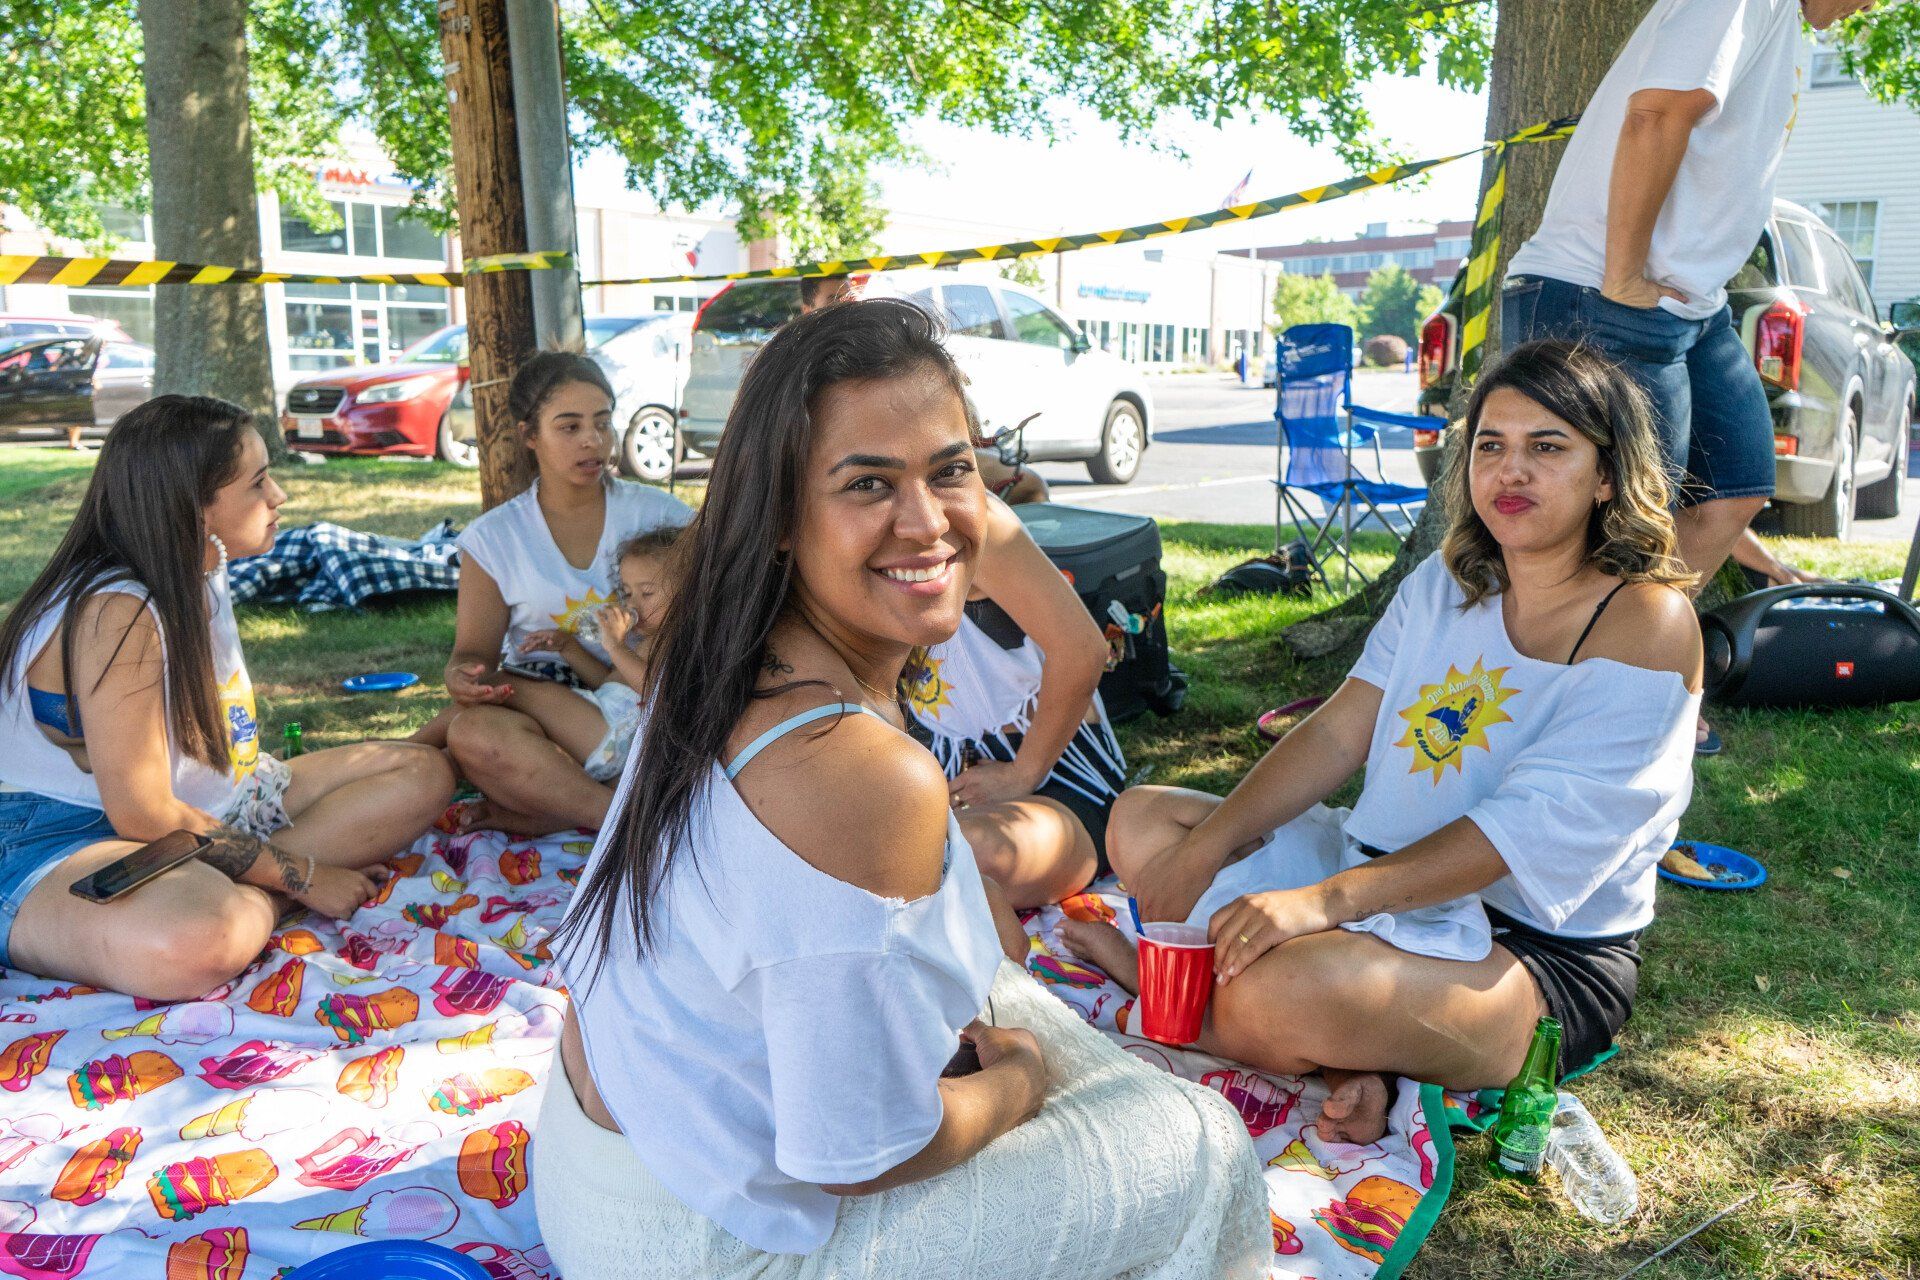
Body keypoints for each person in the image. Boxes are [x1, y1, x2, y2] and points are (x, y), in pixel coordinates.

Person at [537, 299, 1267, 1280]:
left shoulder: (711, 649)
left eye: (950, 469)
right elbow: (859, 1154)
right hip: (704, 1241)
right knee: (1203, 1141)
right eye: (868, 482)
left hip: (599, 1158)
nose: (925, 521)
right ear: (783, 516)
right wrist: (1016, 1081)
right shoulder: (860, 771)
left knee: (1007, 986)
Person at [1060, 340, 1702, 1147]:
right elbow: (1336, 731)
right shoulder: (1446, 580)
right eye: (1491, 446)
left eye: (1548, 448)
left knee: (1282, 988)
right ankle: (1349, 1062)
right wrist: (1215, 844)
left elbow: (1519, 832)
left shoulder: (1646, 624)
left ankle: (1176, 998)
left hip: (1528, 953)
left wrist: (1320, 905)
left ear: (1607, 476)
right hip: (1369, 869)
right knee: (1147, 822)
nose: (1511, 472)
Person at [1502, 0, 1877, 752]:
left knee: (1735, 482)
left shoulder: (1783, 25)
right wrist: (1622, 276)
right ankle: (1577, 717)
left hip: (1687, 305)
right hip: (1601, 293)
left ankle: (1634, 677)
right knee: (1612, 530)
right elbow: (1657, 113)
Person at [0, 395, 454, 1003]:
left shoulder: (199, 563)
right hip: (59, 833)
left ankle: (242, 887)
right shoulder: (119, 610)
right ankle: (260, 896)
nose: (279, 497)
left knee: (418, 769)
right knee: (199, 936)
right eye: (258, 482)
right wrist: (304, 877)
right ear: (194, 508)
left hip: (201, 813)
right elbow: (141, 814)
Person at [421, 352, 693, 833]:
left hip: (641, 715)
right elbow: (472, 656)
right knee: (474, 731)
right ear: (530, 436)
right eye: (569, 427)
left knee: (467, 732)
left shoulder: (664, 517)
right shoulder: (493, 538)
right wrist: (462, 676)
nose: (593, 440)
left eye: (603, 423)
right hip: (538, 725)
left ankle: (580, 814)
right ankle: (613, 815)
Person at [903, 497, 1123, 907]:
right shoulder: (843, 531)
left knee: (952, 858)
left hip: (1059, 778)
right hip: (944, 775)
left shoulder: (969, 517)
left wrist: (1022, 774)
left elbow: (1082, 649)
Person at [486, 527, 684, 788]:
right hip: (608, 731)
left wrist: (614, 645)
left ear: (689, 591)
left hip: (617, 736)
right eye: (626, 593)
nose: (633, 605)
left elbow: (653, 690)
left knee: (503, 685)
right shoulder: (648, 641)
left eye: (647, 593)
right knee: (501, 721)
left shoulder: (679, 640)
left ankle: (421, 742)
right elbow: (609, 683)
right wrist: (568, 647)